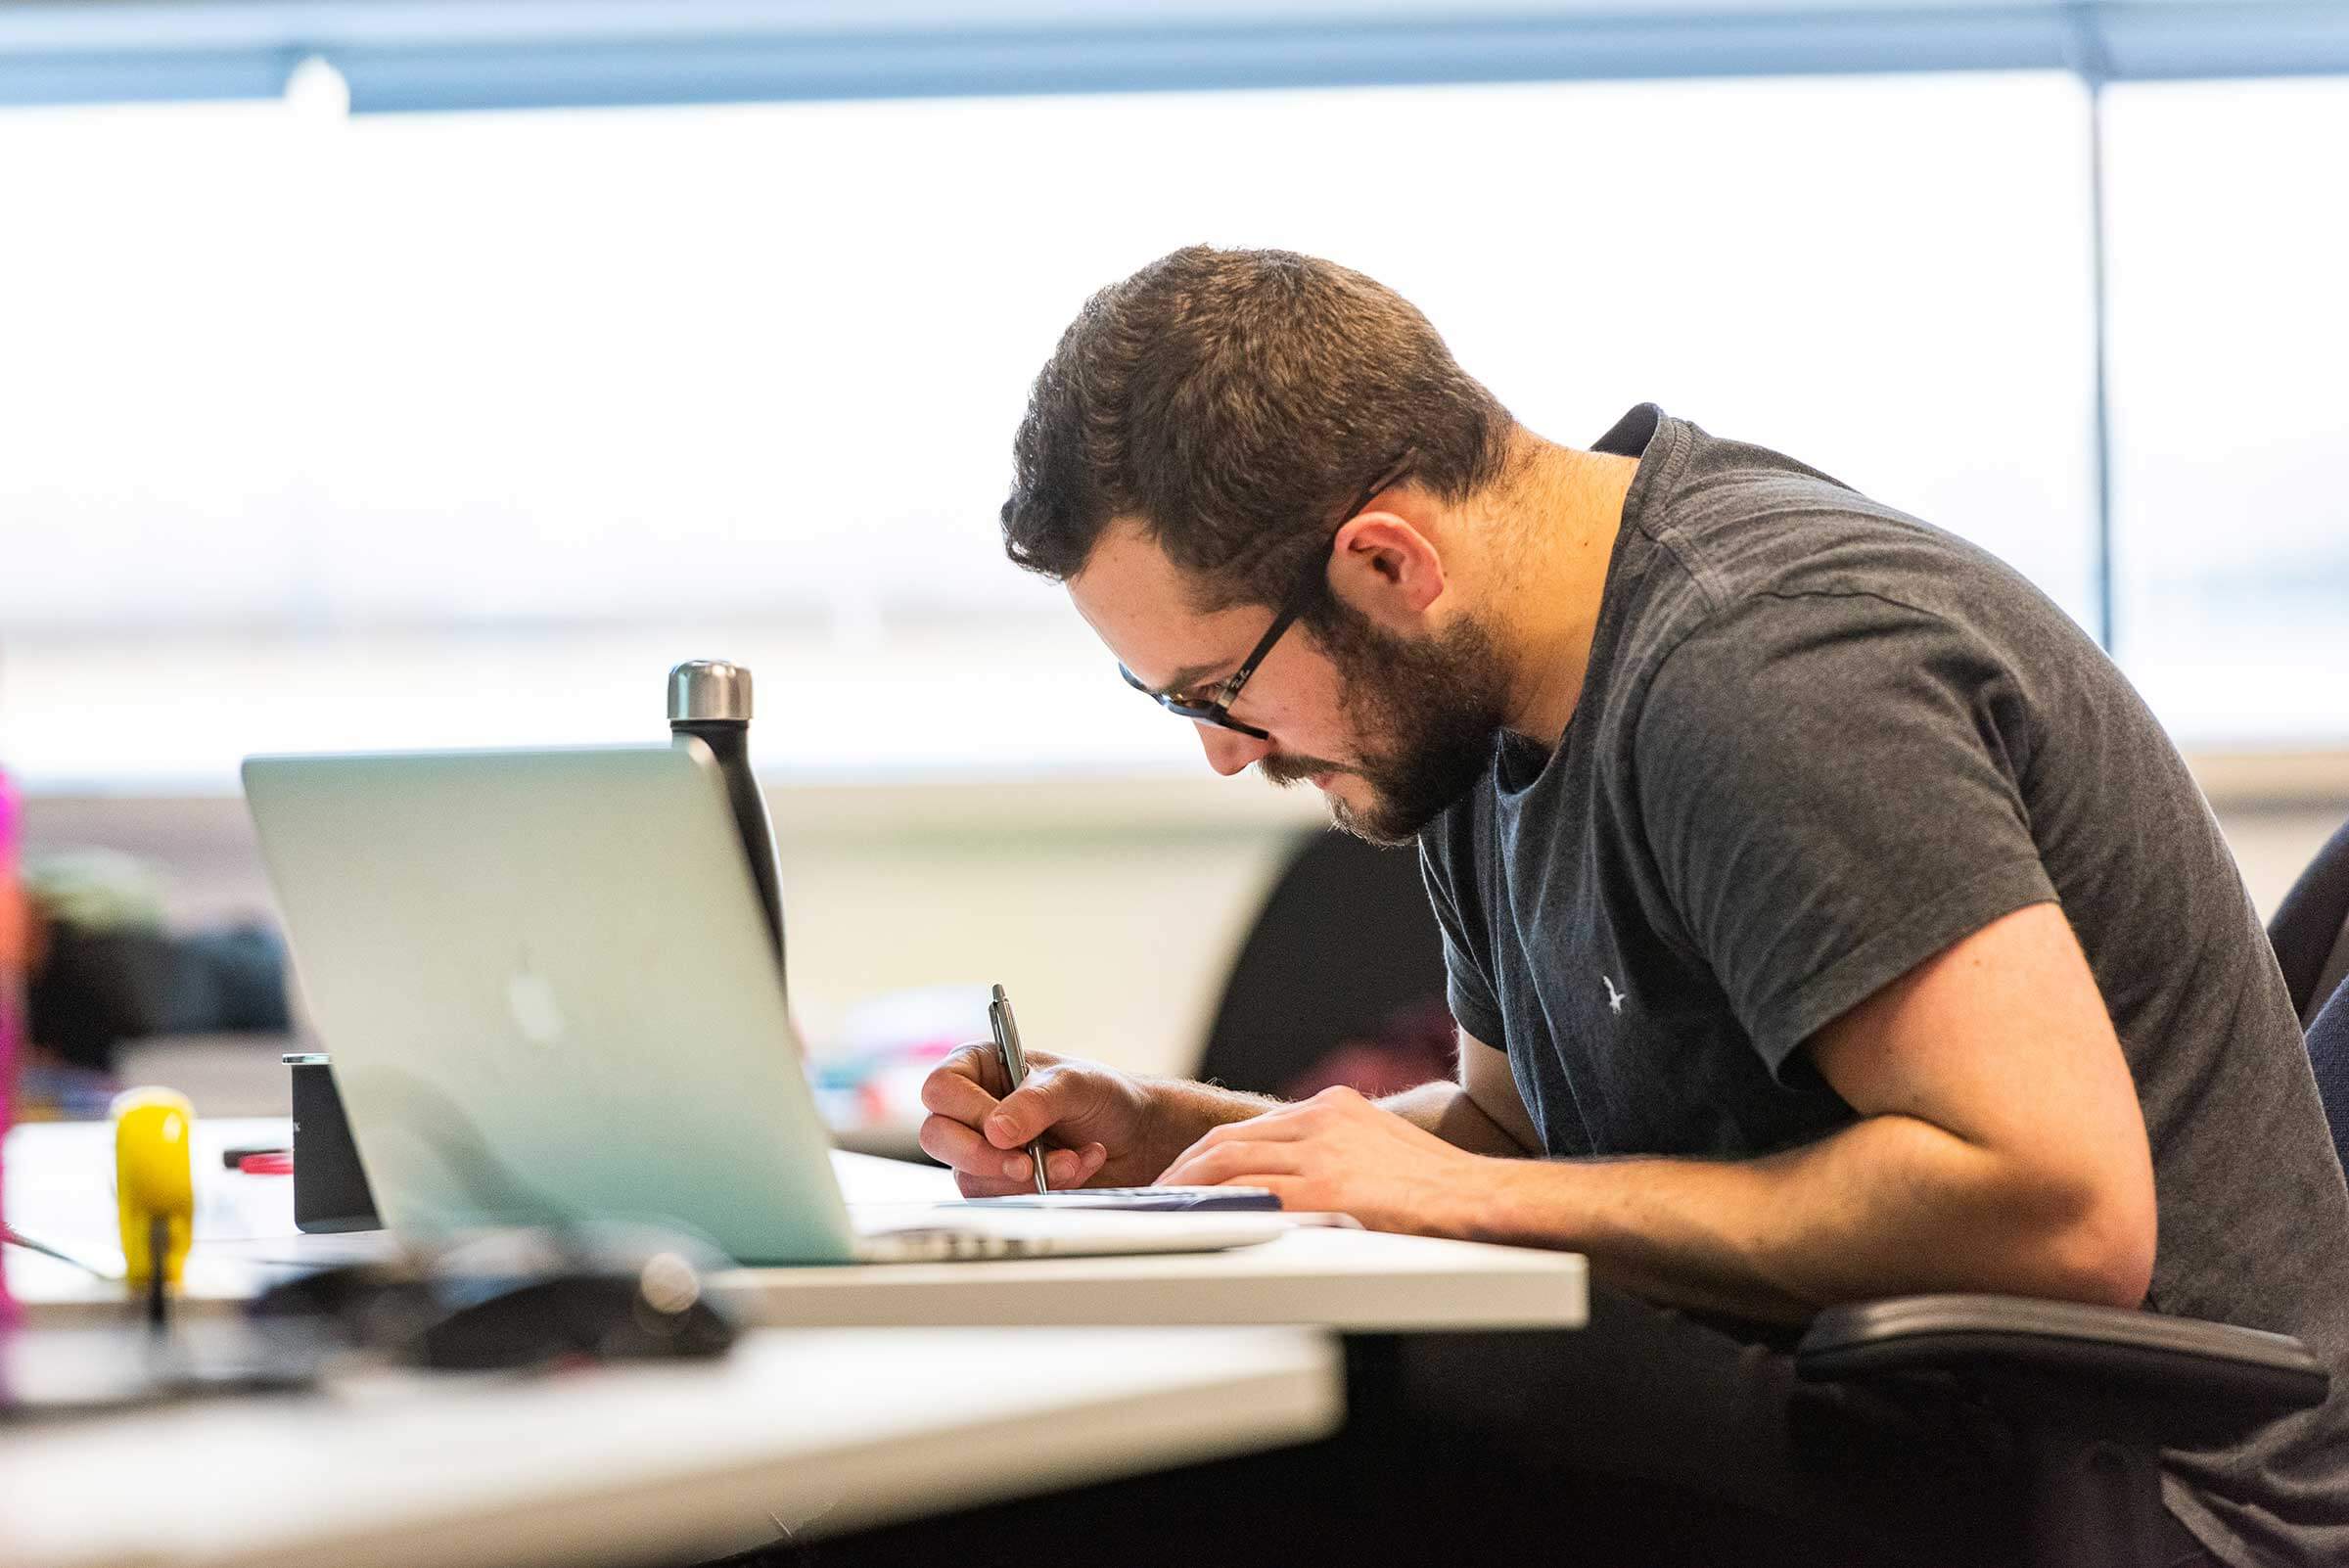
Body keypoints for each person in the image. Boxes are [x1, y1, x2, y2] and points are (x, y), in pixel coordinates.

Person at [916, 245, 2349, 1566]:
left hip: (2138, 1499)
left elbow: (2064, 1214)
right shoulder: (1473, 704)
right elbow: (1510, 1134)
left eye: (1216, 690)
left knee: (1243, 1463)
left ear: (1387, 563)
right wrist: (1178, 1139)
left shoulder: (1761, 675)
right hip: (1899, 1415)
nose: (1227, 750)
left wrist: (1473, 1195)